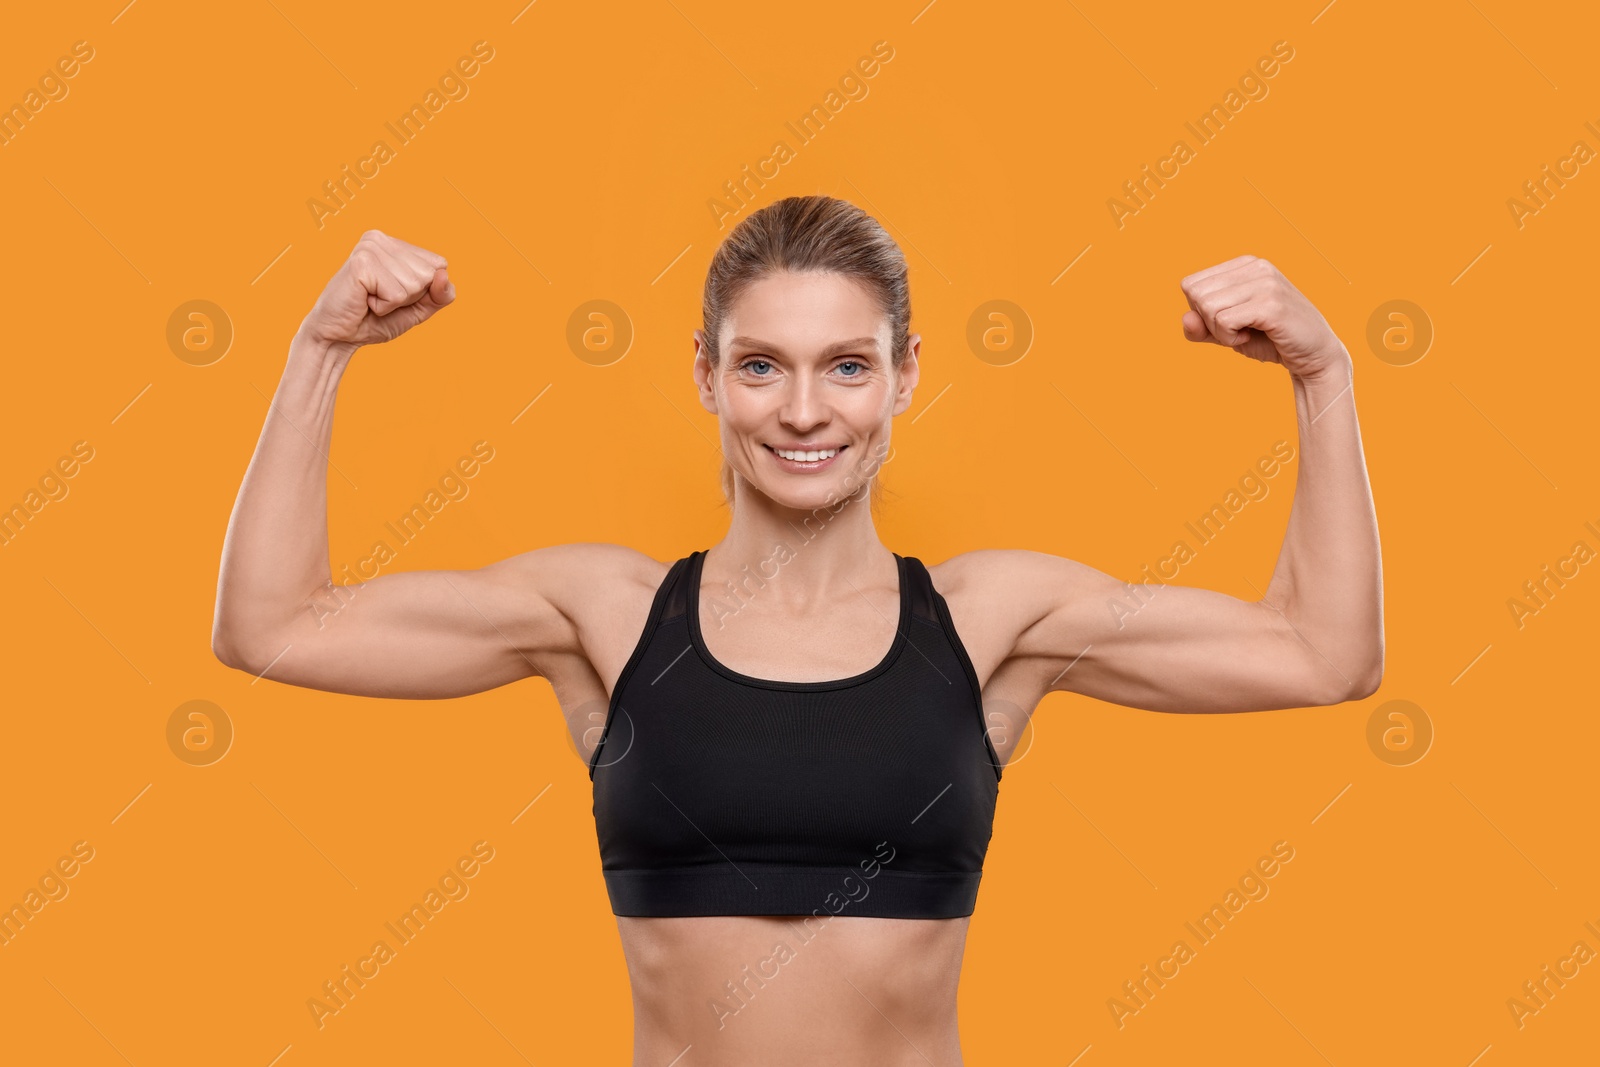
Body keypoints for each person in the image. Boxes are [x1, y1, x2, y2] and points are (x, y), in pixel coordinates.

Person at [212, 195, 1382, 1065]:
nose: (806, 409)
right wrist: (321, 351)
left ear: (906, 375)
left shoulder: (991, 623)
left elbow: (1320, 653)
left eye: (847, 366)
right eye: (761, 364)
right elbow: (274, 625)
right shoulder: (606, 617)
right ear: (705, 376)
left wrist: (1322, 374)